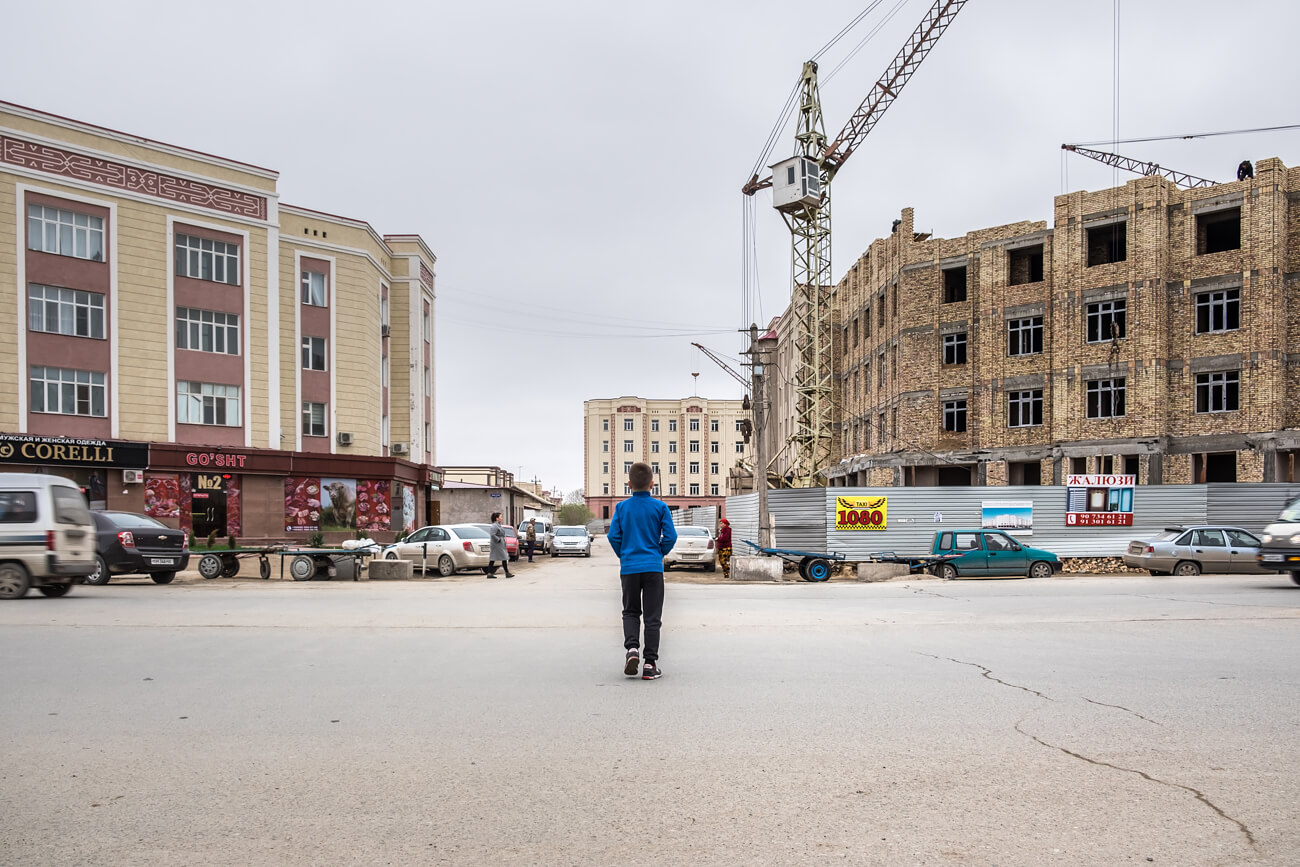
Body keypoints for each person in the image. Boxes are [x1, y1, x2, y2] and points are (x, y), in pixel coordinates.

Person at [607, 462, 676, 680]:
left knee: (630, 611)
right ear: (652, 485)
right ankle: (650, 664)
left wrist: (625, 555)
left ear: (629, 485)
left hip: (629, 568)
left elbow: (613, 536)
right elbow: (671, 536)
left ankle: (632, 650)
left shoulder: (621, 508)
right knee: (652, 617)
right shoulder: (660, 507)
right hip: (653, 568)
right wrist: (658, 553)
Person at [486, 512, 512, 578]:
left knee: (499, 558)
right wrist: (498, 540)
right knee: (501, 557)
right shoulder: (494, 526)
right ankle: (506, 573)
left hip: (500, 545)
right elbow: (492, 534)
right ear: (497, 518)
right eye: (501, 517)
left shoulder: (498, 525)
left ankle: (490, 573)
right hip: (497, 545)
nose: (502, 518)